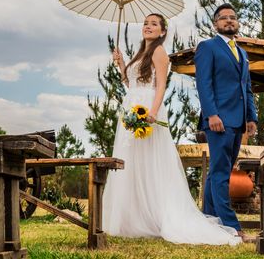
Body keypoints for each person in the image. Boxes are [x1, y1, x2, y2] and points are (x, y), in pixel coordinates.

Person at [102, 13, 241, 246]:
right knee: (132, 161)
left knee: (149, 161)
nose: (148, 27)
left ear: (162, 32)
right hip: (131, 108)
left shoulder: (159, 52)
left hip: (148, 110)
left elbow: (161, 86)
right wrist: (121, 64)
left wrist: (152, 112)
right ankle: (134, 216)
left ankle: (157, 215)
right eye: (145, 24)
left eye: (153, 24)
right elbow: (131, 83)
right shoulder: (141, 53)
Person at [194, 3, 258, 243]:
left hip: (238, 120)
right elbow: (204, 83)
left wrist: (251, 117)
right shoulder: (207, 47)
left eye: (233, 17)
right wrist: (211, 114)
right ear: (215, 23)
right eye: (224, 18)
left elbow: (247, 88)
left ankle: (209, 220)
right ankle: (233, 228)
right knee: (222, 174)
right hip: (218, 120)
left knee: (217, 173)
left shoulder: (242, 53)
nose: (229, 21)